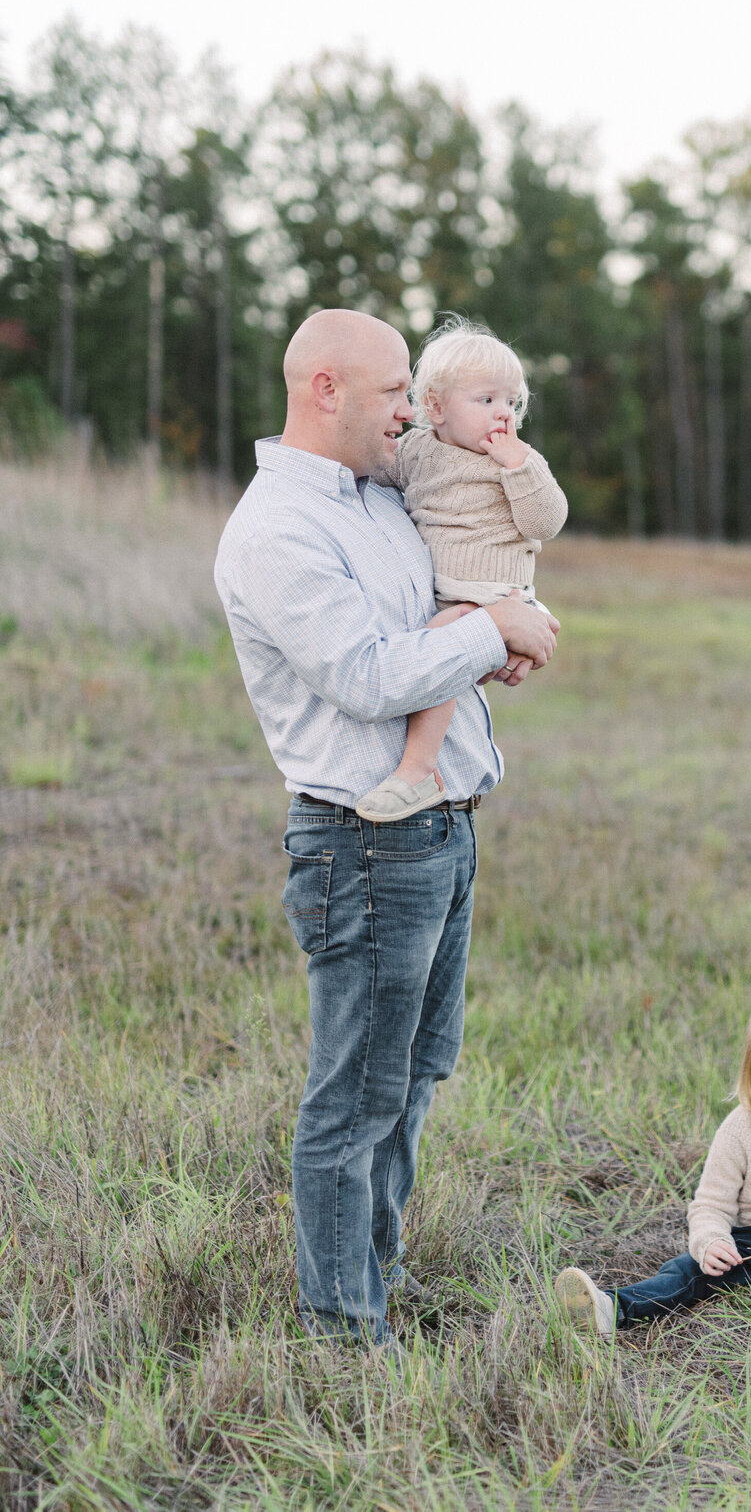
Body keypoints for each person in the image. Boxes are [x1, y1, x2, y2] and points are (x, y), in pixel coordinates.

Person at [214, 307, 559, 1348]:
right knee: (353, 1099)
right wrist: (490, 628)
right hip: (363, 841)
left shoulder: (380, 496)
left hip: (445, 826)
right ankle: (344, 1335)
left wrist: (497, 632)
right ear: (326, 387)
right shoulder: (279, 530)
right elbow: (366, 678)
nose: (409, 410)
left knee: (410, 1080)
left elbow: (438, 622)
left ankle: (377, 1277)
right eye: (392, 391)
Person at [554, 998, 751, 1346]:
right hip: (746, 1241)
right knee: (684, 1272)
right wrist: (712, 1242)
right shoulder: (741, 1127)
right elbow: (711, 1204)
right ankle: (610, 1307)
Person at [355, 318, 567, 824]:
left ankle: (418, 768)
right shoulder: (418, 452)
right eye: (486, 400)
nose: (502, 414)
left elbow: (548, 520)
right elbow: (372, 472)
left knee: (444, 646)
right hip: (450, 588)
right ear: (435, 407)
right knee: (448, 651)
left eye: (511, 402)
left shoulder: (514, 459)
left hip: (491, 591)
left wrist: (520, 467)